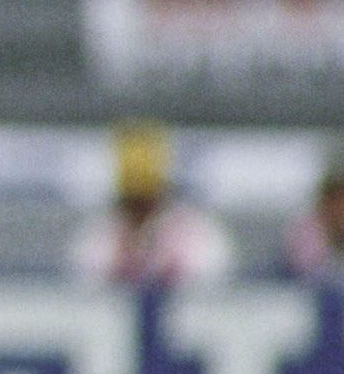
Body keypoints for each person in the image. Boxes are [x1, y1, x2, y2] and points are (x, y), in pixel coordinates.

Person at [69, 121, 233, 286]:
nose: (140, 209)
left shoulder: (193, 229)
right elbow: (85, 283)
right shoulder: (102, 230)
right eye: (133, 202)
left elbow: (211, 284)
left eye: (147, 202)